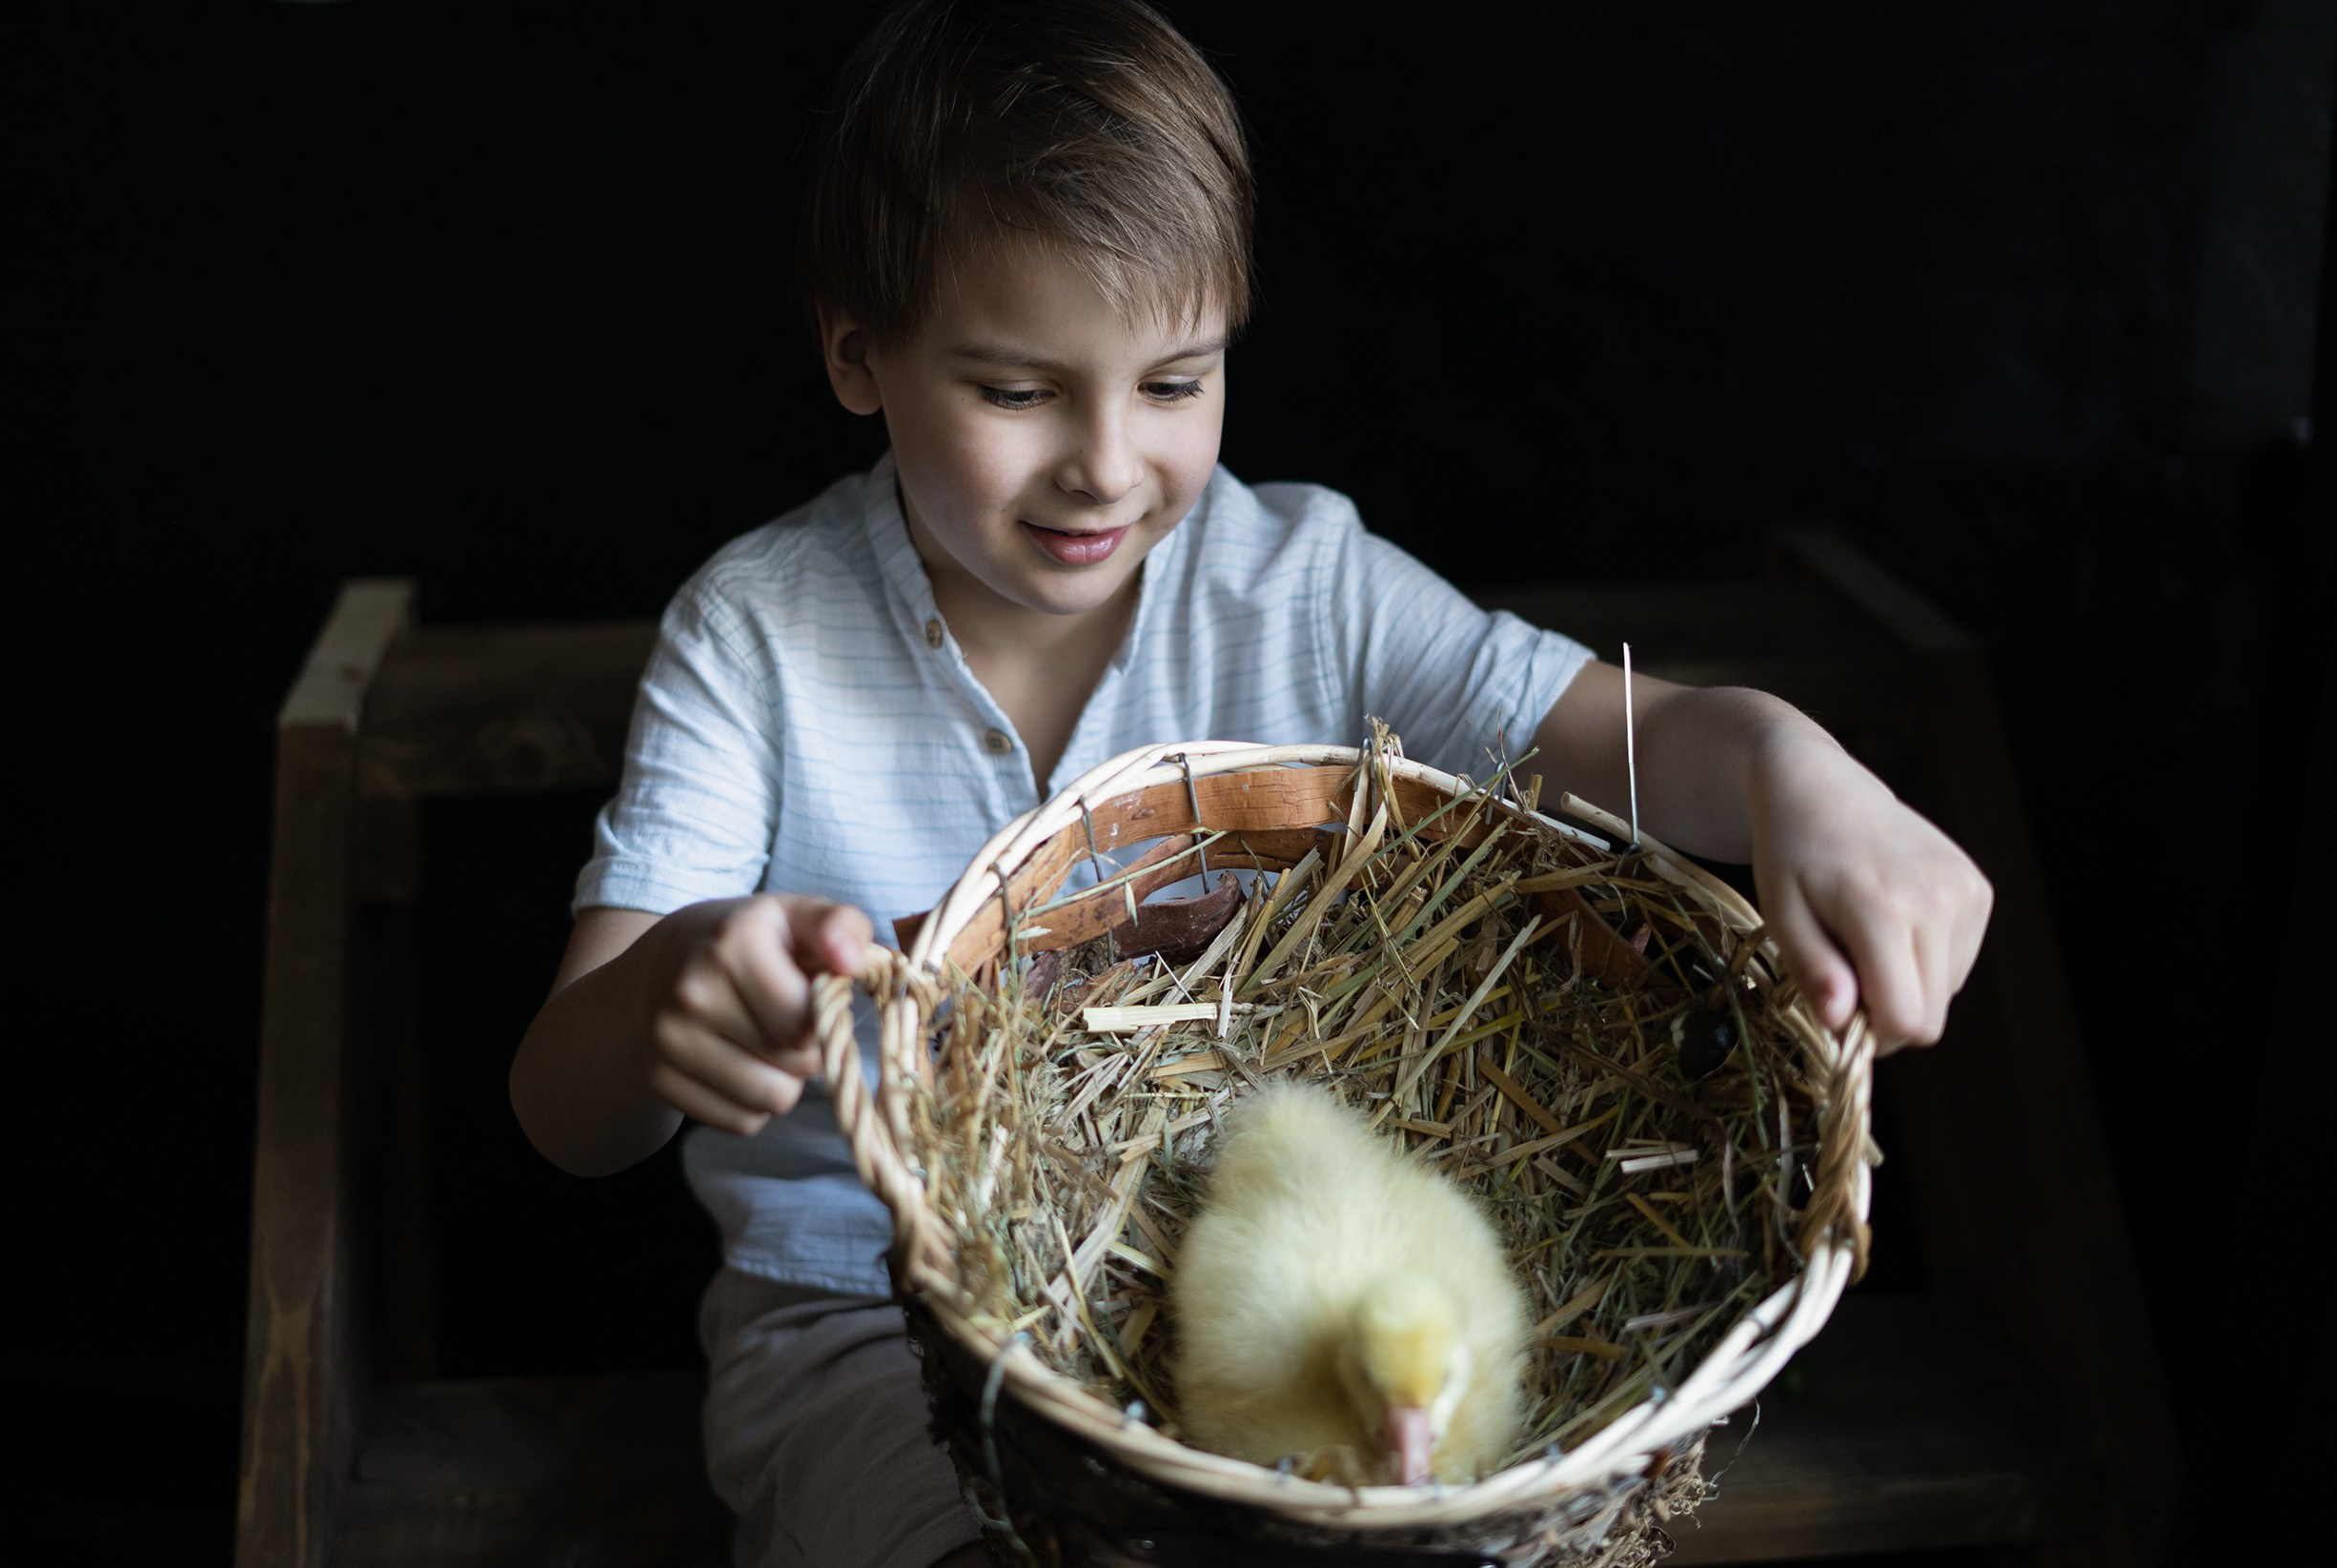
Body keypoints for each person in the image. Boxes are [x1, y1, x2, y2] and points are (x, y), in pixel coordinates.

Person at [509, 3, 1994, 1563]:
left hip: (1308, 1329)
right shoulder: (756, 641)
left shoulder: (1301, 584)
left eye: (1174, 381)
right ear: (857, 352)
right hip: (873, 1329)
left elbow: (1617, 735)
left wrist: (1785, 764)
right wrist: (672, 986)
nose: (1104, 462)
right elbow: (563, 1110)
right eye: (1018, 390)